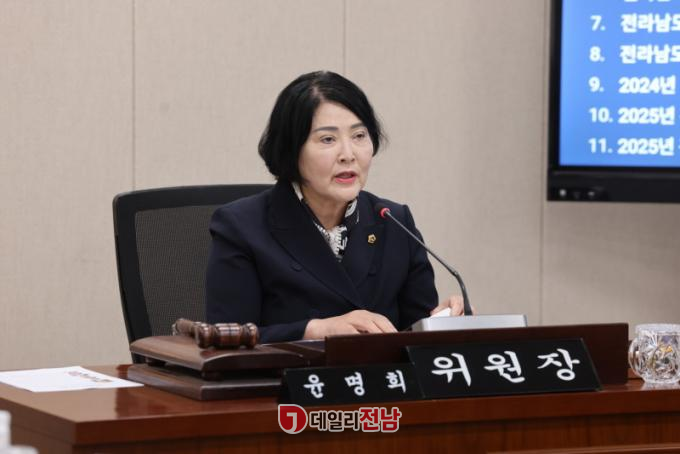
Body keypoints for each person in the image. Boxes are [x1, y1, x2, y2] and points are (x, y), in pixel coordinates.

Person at [206, 70, 464, 343]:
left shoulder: (394, 222)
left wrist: (440, 322)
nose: (348, 155)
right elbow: (225, 341)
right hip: (288, 372)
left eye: (359, 135)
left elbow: (415, 342)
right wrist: (313, 331)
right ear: (291, 149)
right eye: (328, 139)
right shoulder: (242, 227)